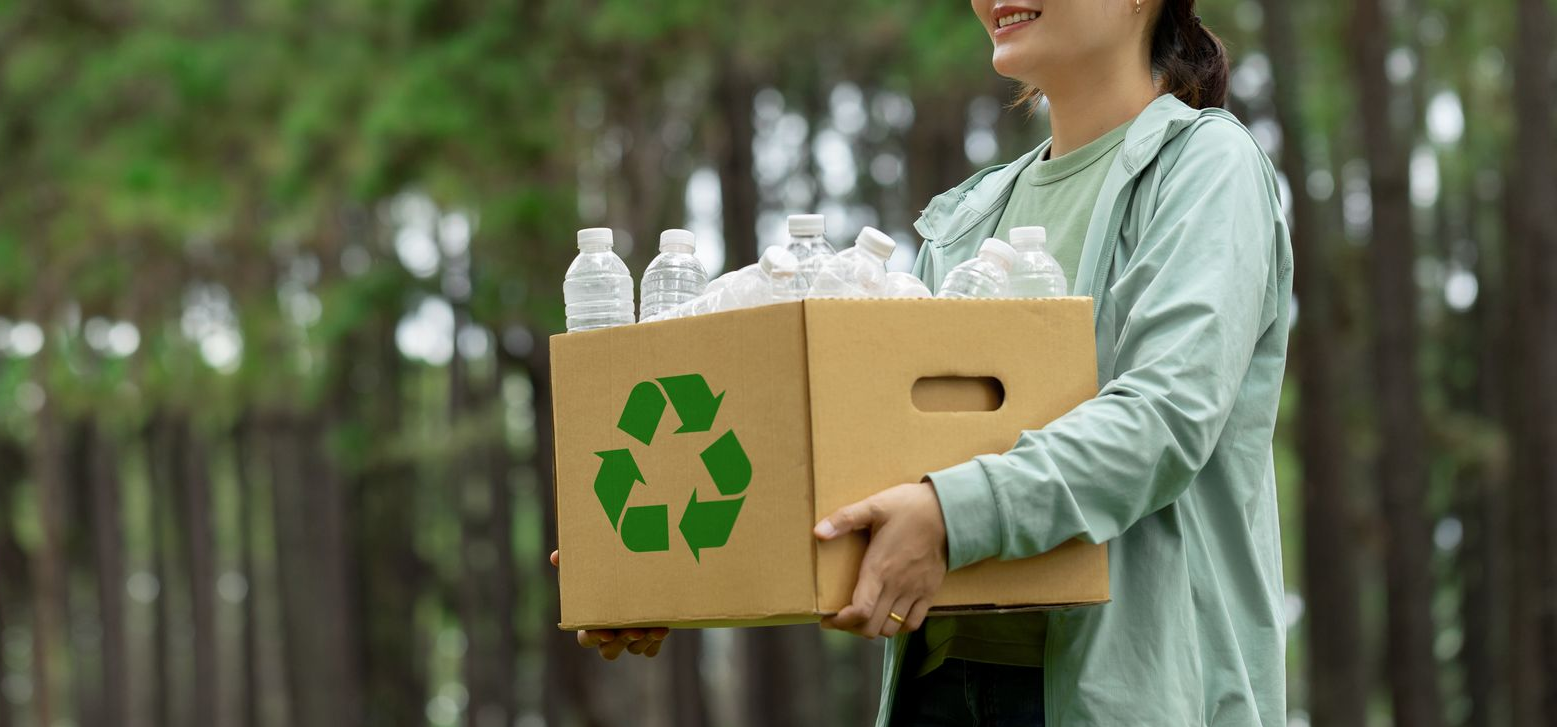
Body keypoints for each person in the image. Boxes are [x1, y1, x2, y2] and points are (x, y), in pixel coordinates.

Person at [552, 0, 1292, 724]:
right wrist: (659, 560)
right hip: (941, 688)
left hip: (1135, 692)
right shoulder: (968, 222)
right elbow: (883, 462)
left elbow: (1165, 417)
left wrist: (951, 511)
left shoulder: (1206, 170)